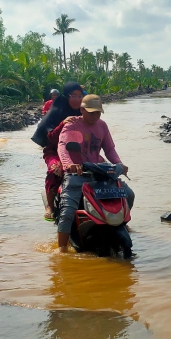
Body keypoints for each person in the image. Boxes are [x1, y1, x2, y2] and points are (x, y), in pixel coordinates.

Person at [56, 94, 134, 252]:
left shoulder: (102, 126)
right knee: (67, 211)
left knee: (129, 195)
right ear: (82, 110)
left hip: (99, 171)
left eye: (98, 112)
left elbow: (110, 149)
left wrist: (119, 164)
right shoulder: (72, 125)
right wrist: (69, 164)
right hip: (77, 173)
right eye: (91, 112)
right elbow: (63, 147)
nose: (95, 116)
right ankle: (61, 250)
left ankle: (121, 223)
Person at [31, 82, 85, 220]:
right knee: (56, 169)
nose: (77, 99)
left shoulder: (84, 112)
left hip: (78, 150)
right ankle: (50, 205)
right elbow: (50, 137)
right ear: (67, 97)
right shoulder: (56, 112)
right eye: (74, 96)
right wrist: (62, 124)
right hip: (54, 149)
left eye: (80, 96)